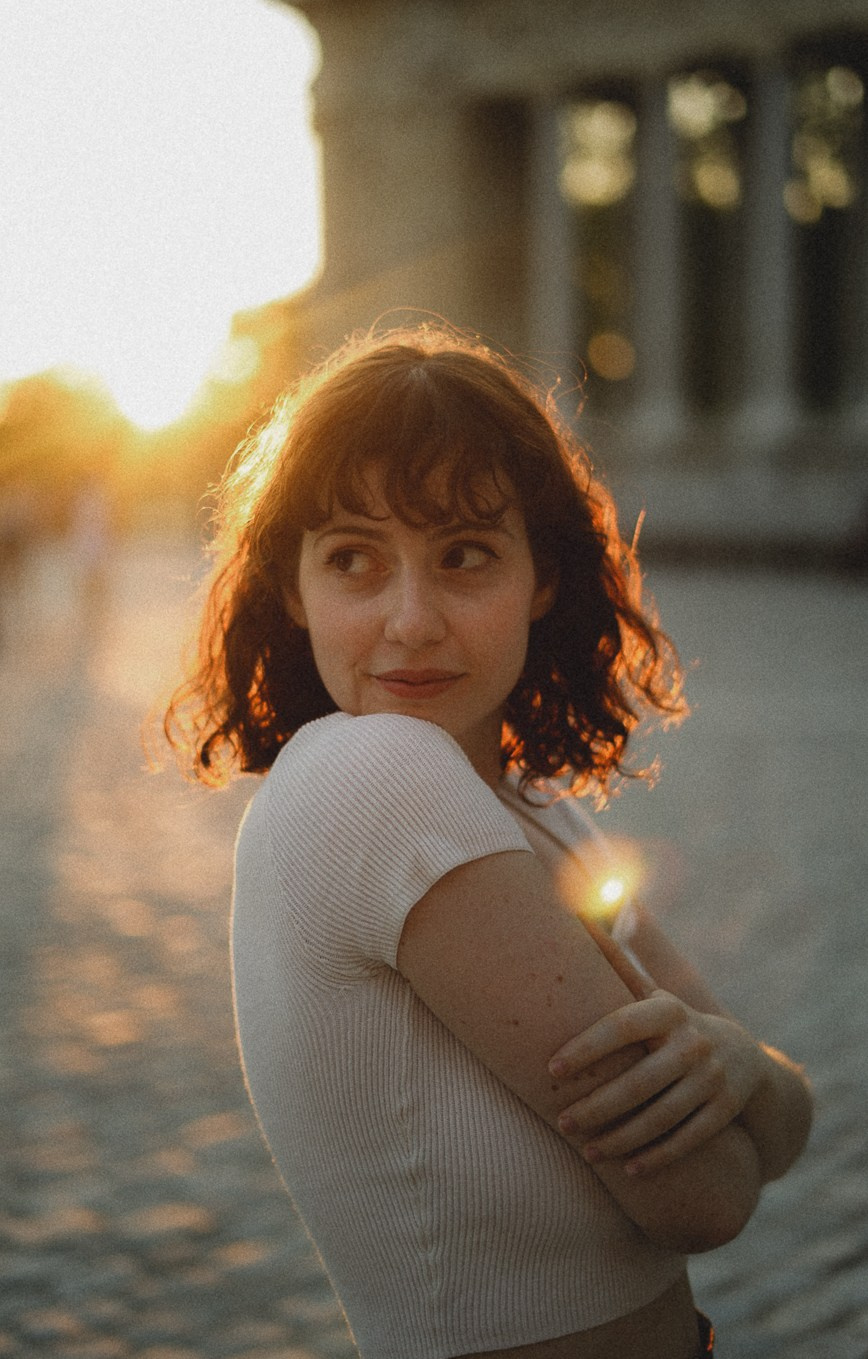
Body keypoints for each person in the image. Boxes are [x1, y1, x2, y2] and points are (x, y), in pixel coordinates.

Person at [164, 325, 813, 1359]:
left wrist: (741, 1065)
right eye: (353, 561)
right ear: (293, 590)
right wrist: (745, 1081)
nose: (410, 619)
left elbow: (786, 1117)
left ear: (541, 578)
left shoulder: (537, 810)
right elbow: (710, 1194)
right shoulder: (371, 779)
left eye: (463, 556)